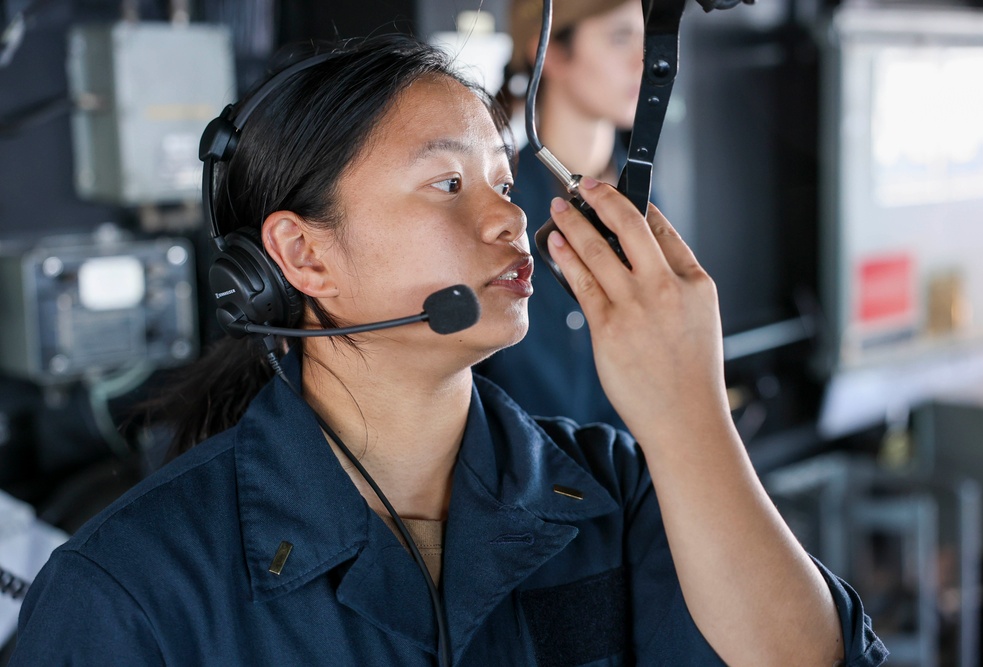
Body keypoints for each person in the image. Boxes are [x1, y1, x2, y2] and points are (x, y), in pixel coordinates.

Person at [10, 34, 887, 665]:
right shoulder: (131, 587)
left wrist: (689, 413)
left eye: (504, 182)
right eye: (446, 183)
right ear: (304, 255)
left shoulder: (618, 489)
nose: (510, 216)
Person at [475, 0, 649, 431]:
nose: (644, 61)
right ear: (548, 52)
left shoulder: (650, 197)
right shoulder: (497, 209)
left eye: (649, 39)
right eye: (620, 37)